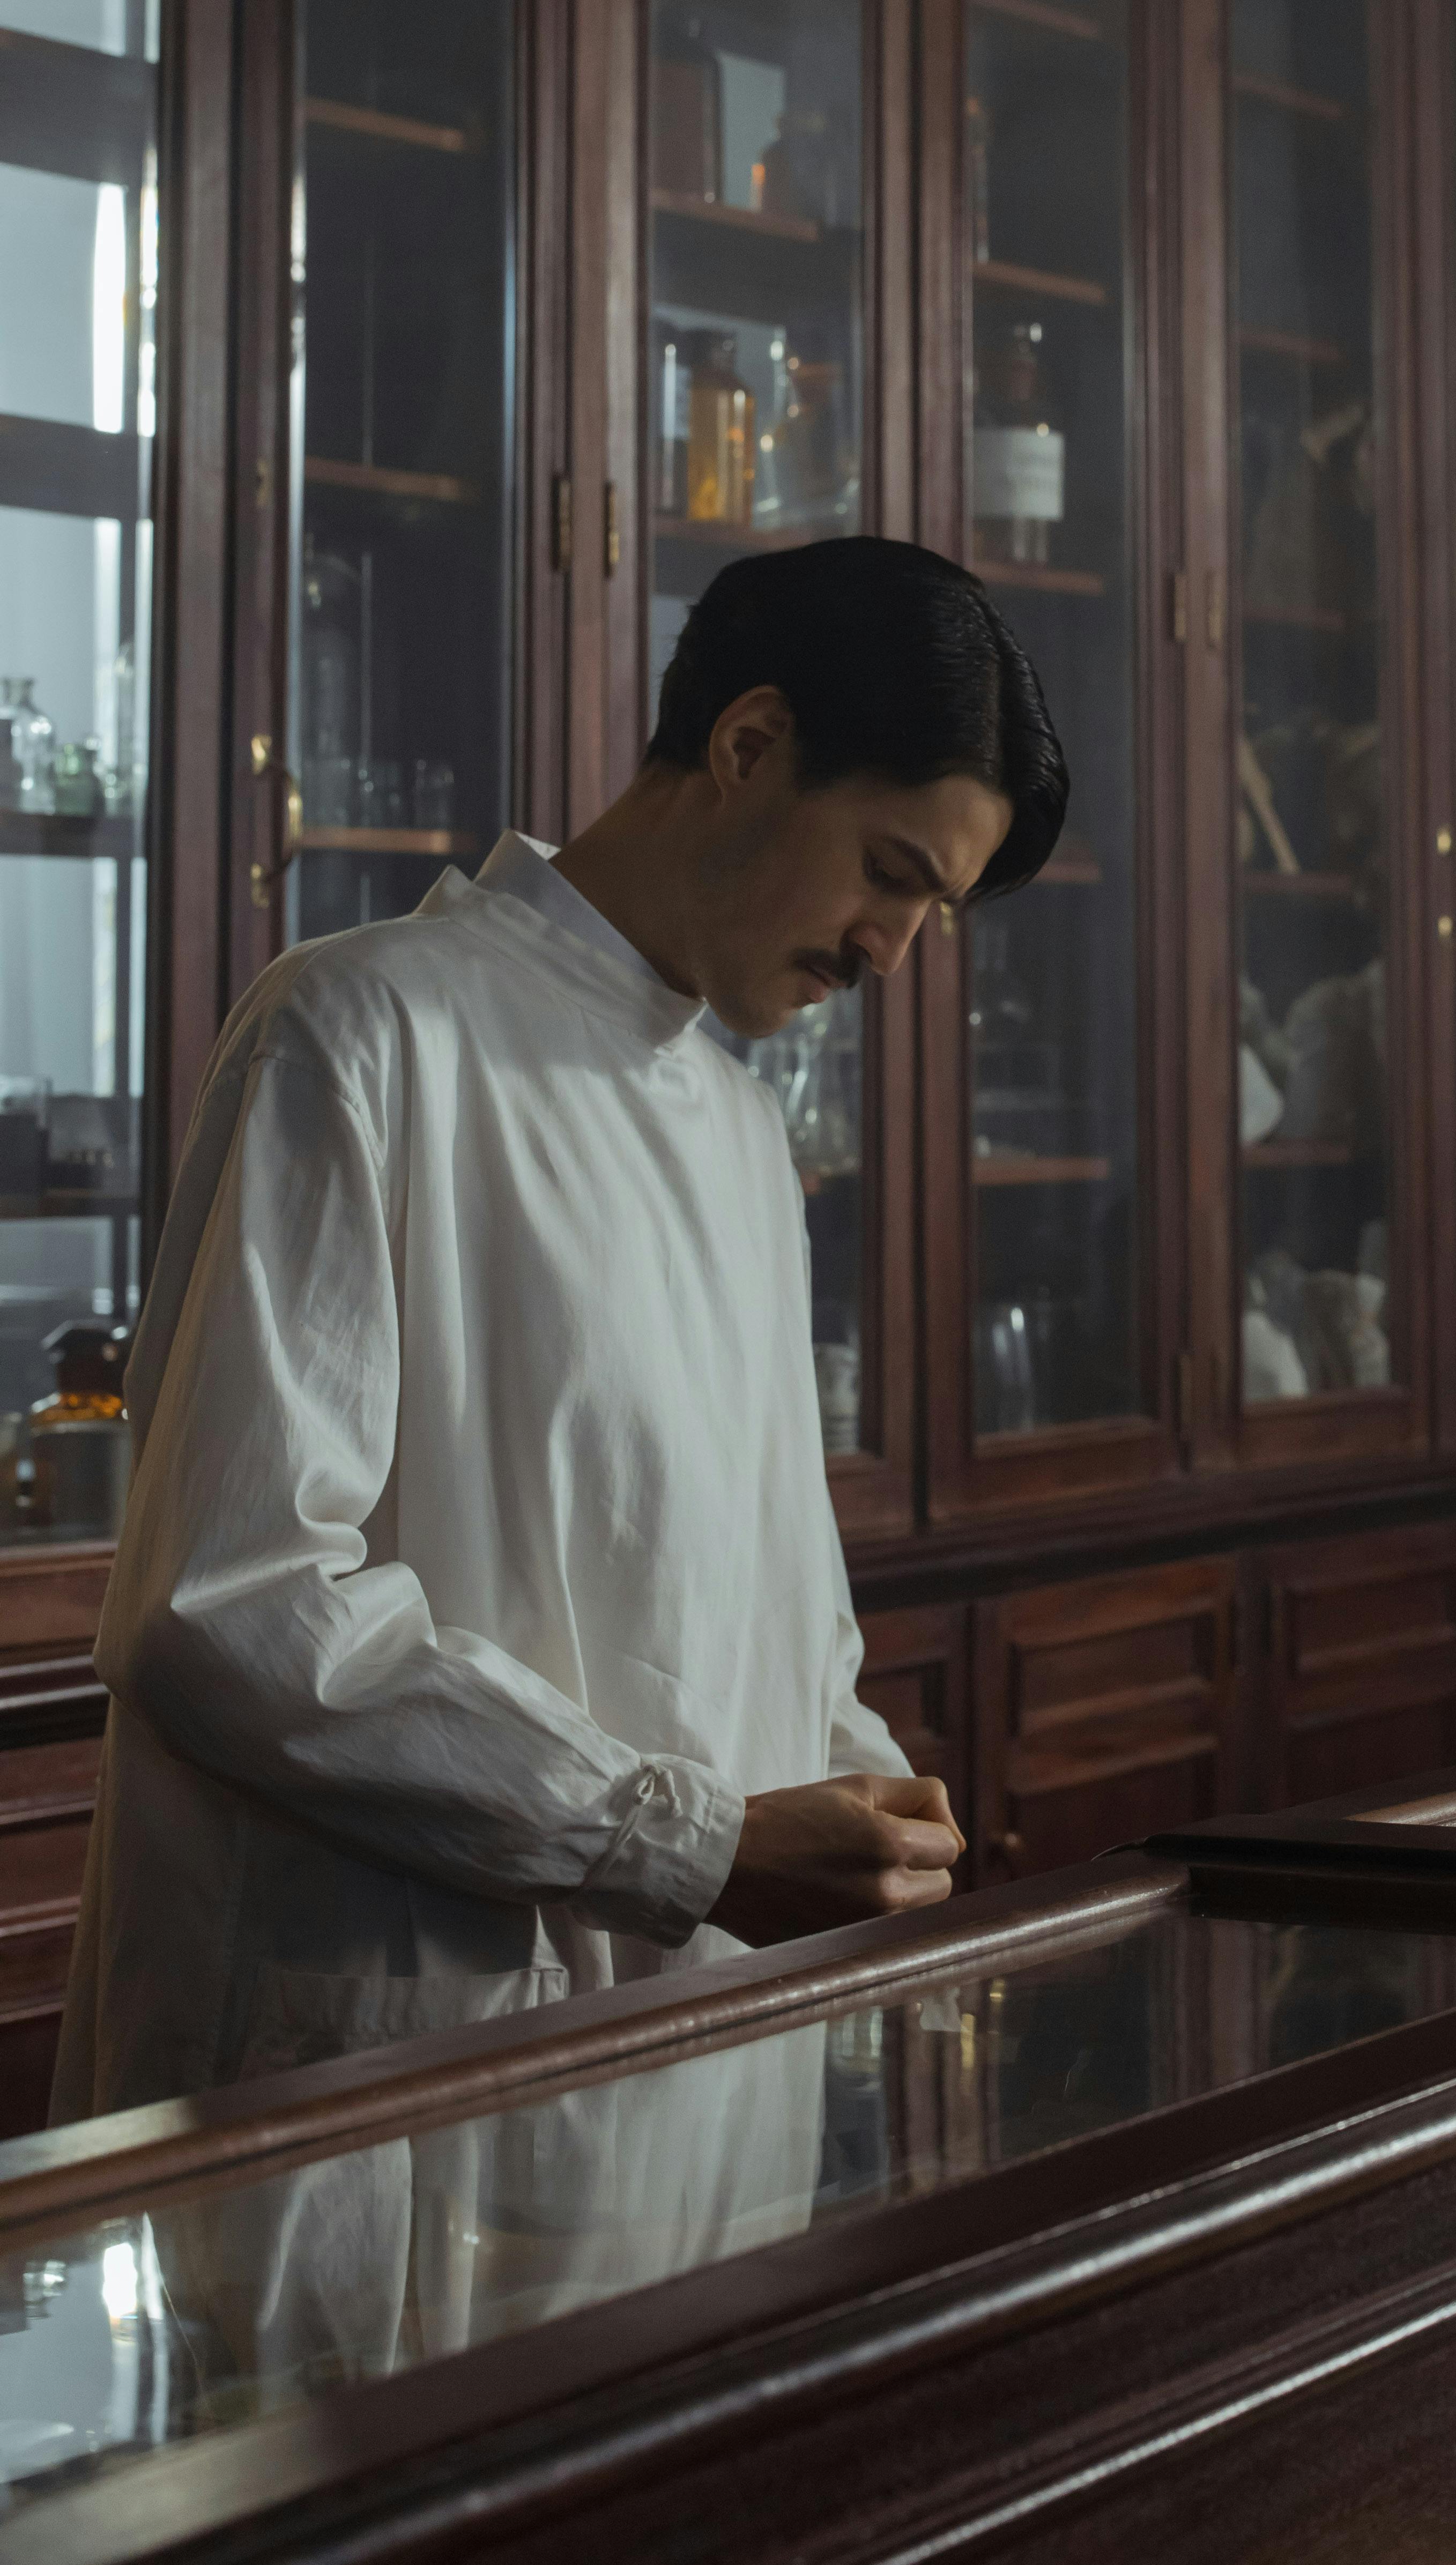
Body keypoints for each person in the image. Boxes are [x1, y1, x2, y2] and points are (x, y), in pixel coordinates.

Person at [52, 536, 1068, 2122]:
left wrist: (870, 1818)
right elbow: (227, 1606)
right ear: (748, 746)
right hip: (386, 2092)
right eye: (890, 873)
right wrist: (689, 1843)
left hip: (699, 2078)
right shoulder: (358, 1031)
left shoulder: (744, 1138)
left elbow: (768, 1615)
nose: (894, 957)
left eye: (931, 911)